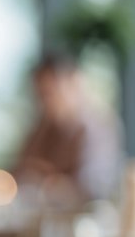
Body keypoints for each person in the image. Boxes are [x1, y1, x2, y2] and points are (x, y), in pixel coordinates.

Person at [14, 52, 123, 204]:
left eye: (49, 93)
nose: (45, 103)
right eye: (39, 96)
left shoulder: (97, 127)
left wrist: (46, 180)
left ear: (73, 82)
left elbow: (92, 188)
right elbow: (18, 172)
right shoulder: (43, 129)